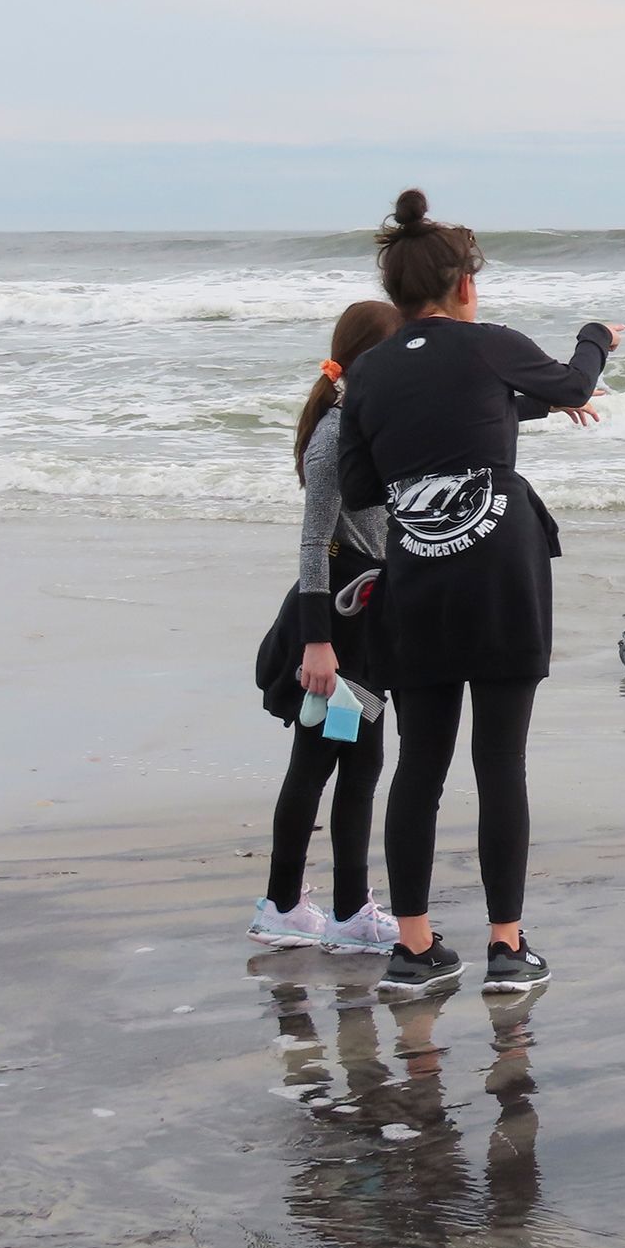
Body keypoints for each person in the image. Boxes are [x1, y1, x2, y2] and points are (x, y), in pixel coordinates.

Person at [337, 190, 621, 996]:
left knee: (419, 765)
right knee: (500, 762)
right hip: (501, 576)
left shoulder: (370, 373)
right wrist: (597, 339)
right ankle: (506, 947)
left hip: (419, 582)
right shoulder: (491, 345)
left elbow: (361, 488)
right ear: (464, 284)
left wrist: (484, 422)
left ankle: (415, 950)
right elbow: (571, 383)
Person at [251, 300, 405, 952]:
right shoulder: (333, 436)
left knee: (360, 765)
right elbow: (315, 544)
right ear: (372, 357)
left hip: (364, 622)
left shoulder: (365, 424)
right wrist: (317, 645)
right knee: (315, 764)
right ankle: (285, 905)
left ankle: (345, 911)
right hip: (332, 631)